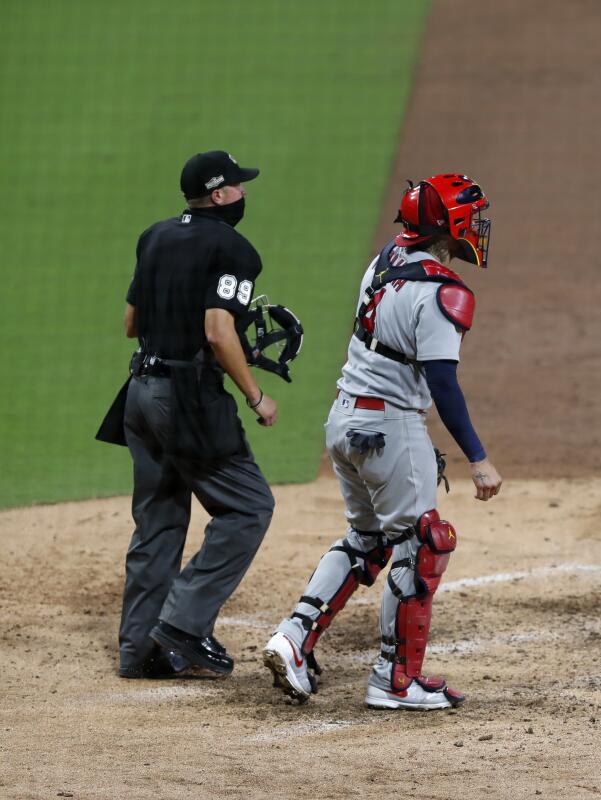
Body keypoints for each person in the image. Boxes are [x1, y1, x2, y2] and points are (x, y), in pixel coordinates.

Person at [262, 173, 502, 710]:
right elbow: (443, 383)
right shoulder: (444, 293)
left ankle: (294, 638)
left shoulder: (387, 259)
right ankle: (396, 682)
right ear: (453, 225)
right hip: (390, 426)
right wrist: (478, 459)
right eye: (474, 217)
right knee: (424, 542)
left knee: (367, 539)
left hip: (344, 421)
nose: (481, 227)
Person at [113, 150, 278, 679]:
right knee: (248, 506)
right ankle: (182, 625)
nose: (245, 193)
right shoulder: (235, 249)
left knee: (158, 520)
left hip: (139, 391)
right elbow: (216, 330)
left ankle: (140, 651)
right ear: (219, 194)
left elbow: (132, 324)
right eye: (238, 186)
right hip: (185, 399)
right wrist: (256, 395)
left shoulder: (154, 236)